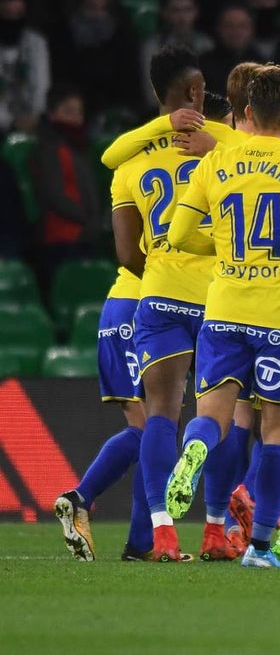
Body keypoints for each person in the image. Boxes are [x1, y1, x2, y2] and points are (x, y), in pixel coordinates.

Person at [162, 64, 280, 569]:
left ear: (245, 111)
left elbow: (178, 236)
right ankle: (261, 547)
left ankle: (193, 453)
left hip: (224, 311)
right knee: (278, 430)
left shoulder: (216, 163)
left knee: (211, 419)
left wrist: (225, 248)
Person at [105, 45, 243, 563]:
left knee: (160, 414)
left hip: (159, 295)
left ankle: (161, 534)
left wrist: (165, 270)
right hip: (218, 297)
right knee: (221, 416)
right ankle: (214, 531)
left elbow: (126, 253)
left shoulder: (130, 161)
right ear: (194, 91)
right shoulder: (222, 149)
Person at [53, 232, 152, 562]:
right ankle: (141, 544)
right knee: (158, 431)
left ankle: (81, 498)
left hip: (117, 305)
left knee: (144, 430)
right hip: (149, 309)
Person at [29, 85, 102, 292]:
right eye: (69, 111)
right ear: (52, 115)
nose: (76, 118)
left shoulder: (78, 146)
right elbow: (53, 195)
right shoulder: (48, 148)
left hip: (83, 236)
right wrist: (87, 218)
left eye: (79, 112)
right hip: (60, 241)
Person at [0, 0, 49, 135]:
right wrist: (9, 122)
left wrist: (35, 115)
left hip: (31, 119)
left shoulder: (35, 42)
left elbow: (41, 83)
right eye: (7, 13)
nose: (13, 18)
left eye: (18, 13)